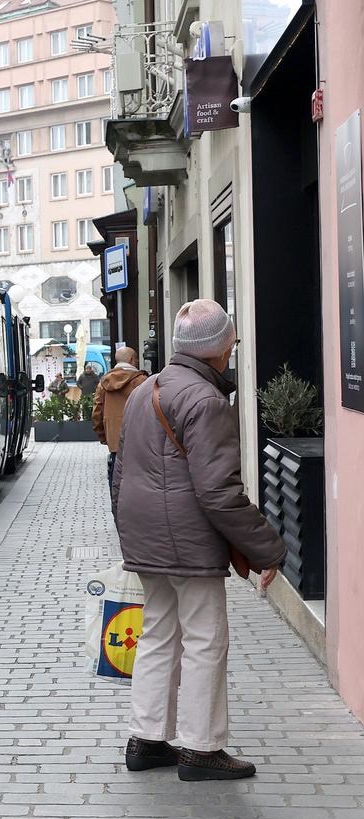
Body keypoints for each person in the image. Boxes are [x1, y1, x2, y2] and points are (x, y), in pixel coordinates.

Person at [112, 299, 285, 781]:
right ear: (220, 349)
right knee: (206, 639)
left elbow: (121, 472)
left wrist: (128, 533)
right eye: (231, 341)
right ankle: (202, 748)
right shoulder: (207, 401)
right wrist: (267, 548)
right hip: (186, 541)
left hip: (146, 537)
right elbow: (218, 491)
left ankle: (147, 740)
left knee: (158, 634)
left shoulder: (146, 389)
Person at [92, 347, 146, 484]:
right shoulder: (142, 381)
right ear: (132, 360)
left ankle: (116, 505)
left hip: (115, 440)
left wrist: (104, 437)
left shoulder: (104, 383)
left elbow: (97, 412)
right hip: (139, 441)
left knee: (116, 479)